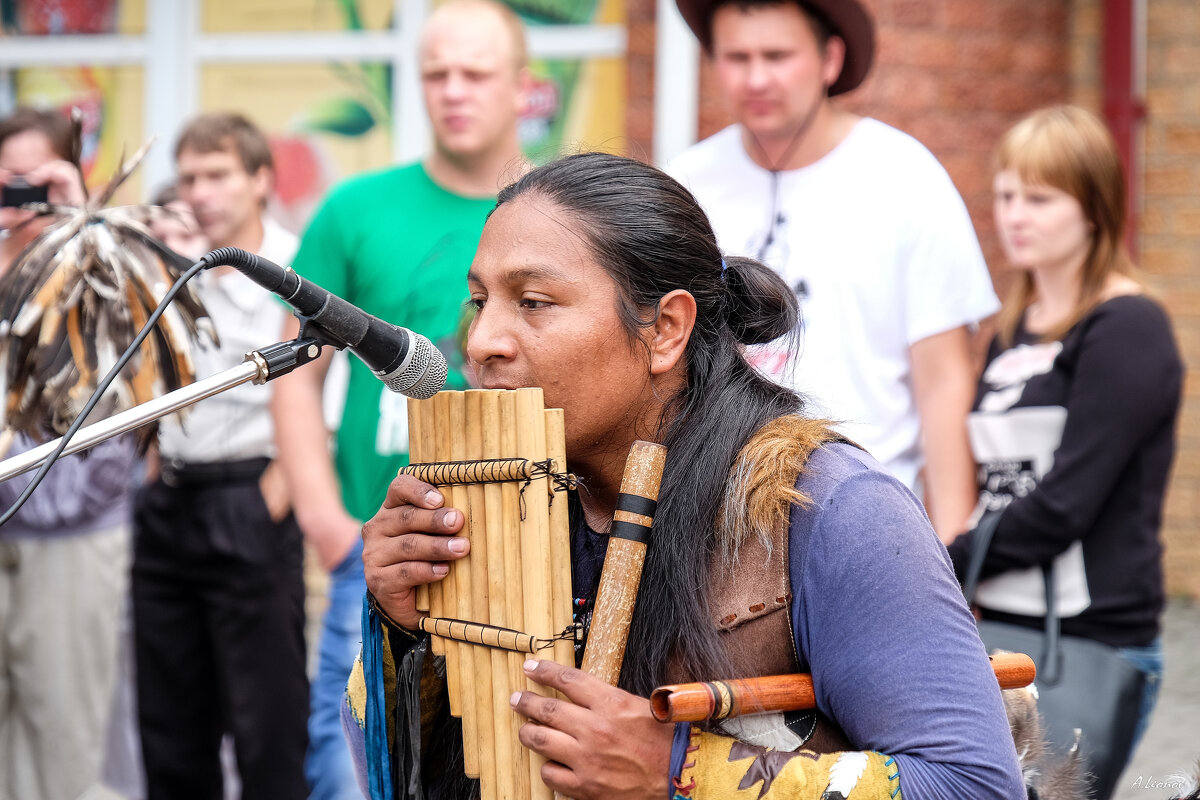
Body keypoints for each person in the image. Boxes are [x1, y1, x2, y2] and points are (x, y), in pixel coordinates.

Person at [352, 152, 1024, 800]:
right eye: (479, 300)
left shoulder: (831, 509)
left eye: (532, 301)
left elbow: (975, 785)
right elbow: (390, 774)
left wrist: (676, 771)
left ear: (667, 328)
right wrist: (402, 631)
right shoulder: (496, 511)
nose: (481, 341)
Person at [269, 2, 531, 797]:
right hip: (379, 544)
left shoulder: (562, 215)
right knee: (351, 762)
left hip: (530, 545)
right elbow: (293, 369)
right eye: (436, 73)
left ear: (523, 88)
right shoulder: (355, 210)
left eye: (476, 73)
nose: (454, 91)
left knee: (505, 760)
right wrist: (324, 517)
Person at [666, 0, 997, 539]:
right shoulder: (687, 182)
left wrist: (953, 549)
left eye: (777, 55)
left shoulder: (905, 177)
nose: (756, 77)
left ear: (830, 58)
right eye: (736, 56)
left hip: (867, 520)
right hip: (715, 524)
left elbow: (943, 379)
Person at [944, 106, 1183, 777]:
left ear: (1095, 210)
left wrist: (938, 565)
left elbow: (1066, 505)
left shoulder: (1127, 327)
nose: (1016, 214)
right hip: (1001, 628)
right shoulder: (1012, 330)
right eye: (1007, 195)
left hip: (1089, 639)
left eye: (1041, 199)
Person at [131, 112, 309, 800]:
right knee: (170, 724)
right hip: (170, 499)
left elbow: (323, 384)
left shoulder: (297, 267)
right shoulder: (168, 268)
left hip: (252, 494)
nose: (200, 192)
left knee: (266, 722)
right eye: (190, 178)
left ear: (260, 179)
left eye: (218, 175)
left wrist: (282, 488)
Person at [0, 107, 139, 800]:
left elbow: (132, 366)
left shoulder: (103, 259)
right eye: (10, 181)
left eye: (39, 180)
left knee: (64, 749)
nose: (22, 197)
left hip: (74, 533)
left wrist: (77, 222)